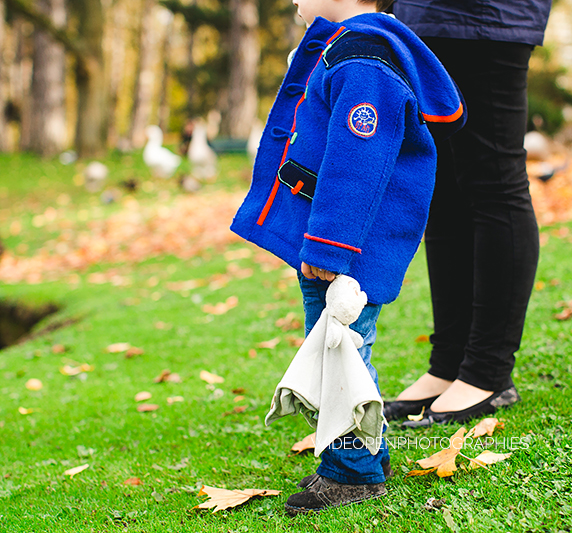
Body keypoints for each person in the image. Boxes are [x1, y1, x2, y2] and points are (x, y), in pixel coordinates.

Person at [229, 0, 465, 515]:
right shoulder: (351, 45)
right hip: (339, 240)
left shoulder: (363, 57)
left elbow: (358, 158)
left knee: (340, 353)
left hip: (347, 245)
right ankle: (368, 456)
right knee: (343, 346)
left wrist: (330, 246)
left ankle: (351, 473)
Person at [384, 0, 553, 427]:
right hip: (422, 18)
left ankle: (487, 372)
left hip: (487, 18)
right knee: (442, 189)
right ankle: (448, 364)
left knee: (494, 181)